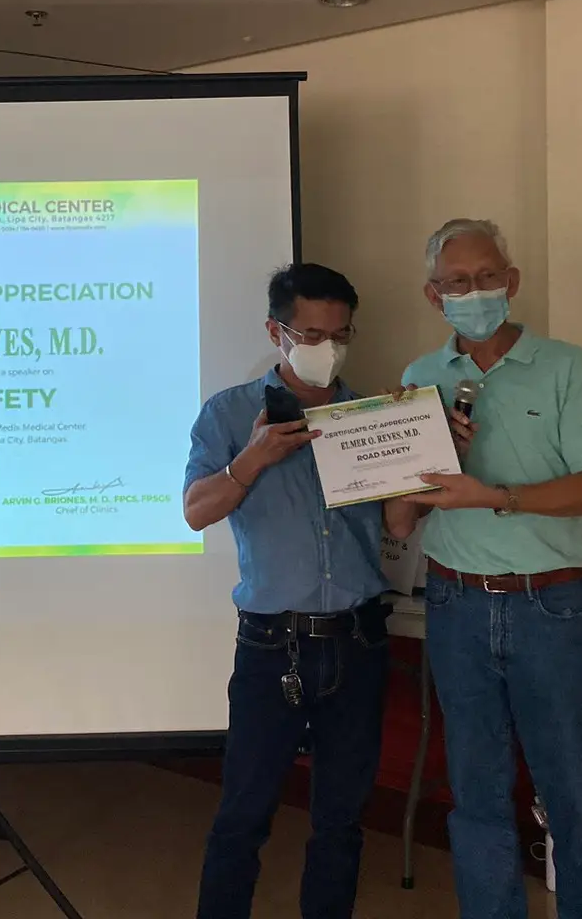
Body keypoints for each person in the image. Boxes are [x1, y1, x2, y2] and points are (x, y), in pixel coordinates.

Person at [400, 218, 582, 919]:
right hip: (455, 605)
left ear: (512, 281)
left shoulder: (566, 367)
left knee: (573, 794)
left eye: (487, 277)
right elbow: (403, 512)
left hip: (550, 608)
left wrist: (493, 496)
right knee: (476, 796)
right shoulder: (419, 379)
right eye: (457, 282)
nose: (475, 292)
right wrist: (425, 470)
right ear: (434, 296)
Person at [184, 263, 409, 919]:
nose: (327, 348)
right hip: (271, 643)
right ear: (275, 332)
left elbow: (399, 524)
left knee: (341, 818)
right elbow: (196, 511)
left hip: (359, 639)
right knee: (243, 814)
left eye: (340, 335)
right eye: (311, 335)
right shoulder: (229, 412)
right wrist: (252, 458)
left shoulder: (369, 418)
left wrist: (423, 455)